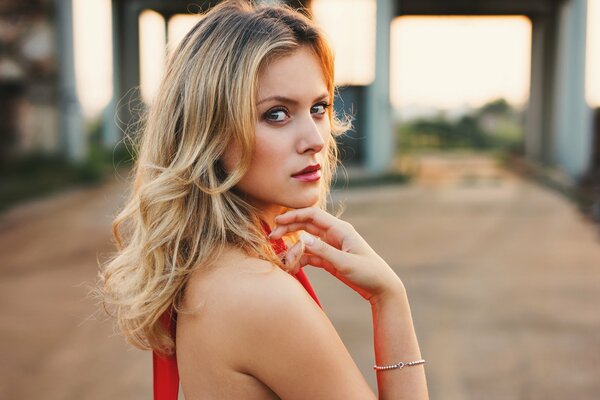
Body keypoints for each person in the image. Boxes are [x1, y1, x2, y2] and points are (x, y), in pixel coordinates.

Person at [99, 1, 428, 399]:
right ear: (210, 132)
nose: (315, 140)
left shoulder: (208, 267)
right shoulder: (259, 295)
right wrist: (390, 298)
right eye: (276, 114)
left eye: (319, 108)